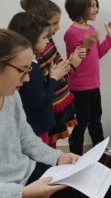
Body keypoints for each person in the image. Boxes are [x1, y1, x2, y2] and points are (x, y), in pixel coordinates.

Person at [0, 28, 83, 198]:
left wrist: (59, 158)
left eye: (29, 70)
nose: (27, 79)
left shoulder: (11, 96)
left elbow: (26, 139)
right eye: (21, 70)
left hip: (27, 174)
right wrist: (23, 193)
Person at [20, 0, 84, 148]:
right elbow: (48, 82)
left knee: (50, 146)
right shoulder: (36, 50)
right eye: (54, 23)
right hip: (48, 107)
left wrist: (72, 63)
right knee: (44, 146)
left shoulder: (47, 42)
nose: (58, 28)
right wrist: (72, 65)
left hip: (56, 104)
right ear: (40, 23)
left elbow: (58, 73)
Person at [64, 0, 111, 155]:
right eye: (92, 6)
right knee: (81, 123)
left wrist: (110, 38)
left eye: (96, 6)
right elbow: (76, 61)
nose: (96, 10)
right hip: (79, 88)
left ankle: (100, 155)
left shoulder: (91, 28)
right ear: (80, 8)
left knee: (96, 120)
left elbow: (98, 53)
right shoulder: (71, 33)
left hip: (94, 85)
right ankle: (75, 158)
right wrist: (85, 45)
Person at [8, 12, 71, 144]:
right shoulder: (30, 69)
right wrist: (53, 79)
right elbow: (42, 102)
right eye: (44, 37)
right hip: (36, 129)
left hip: (35, 127)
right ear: (29, 39)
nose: (48, 41)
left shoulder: (32, 63)